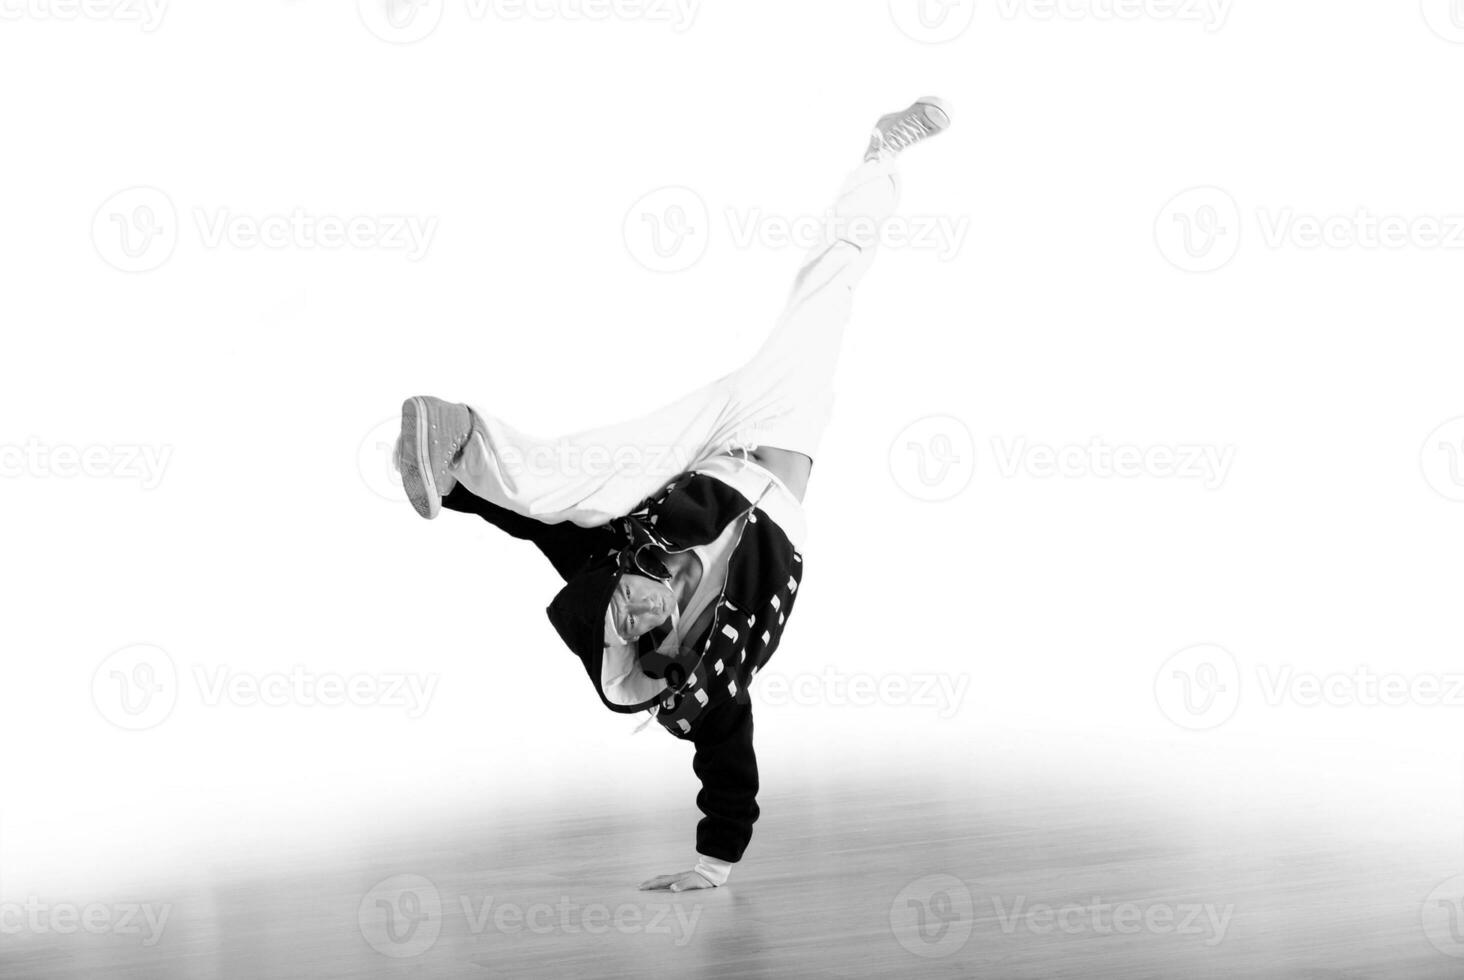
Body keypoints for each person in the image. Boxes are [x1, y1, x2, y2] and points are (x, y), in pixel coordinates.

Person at [394, 97, 952, 891]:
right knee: (829, 291)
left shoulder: (619, 563)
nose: (640, 605)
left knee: (569, 491)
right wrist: (711, 865)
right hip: (780, 430)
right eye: (642, 624)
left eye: (623, 604)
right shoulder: (705, 690)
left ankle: (455, 439)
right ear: (661, 648)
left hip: (703, 449)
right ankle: (882, 157)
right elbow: (730, 766)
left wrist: (459, 495)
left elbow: (537, 528)